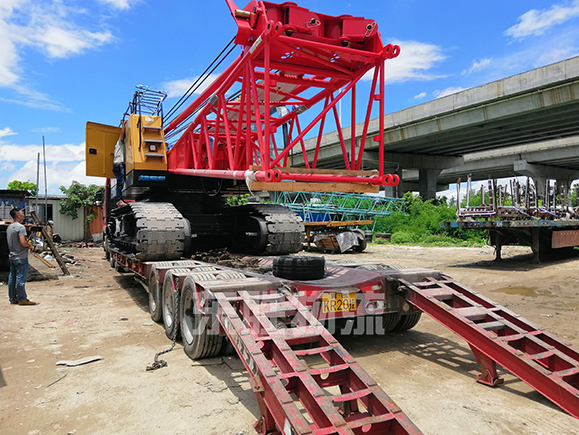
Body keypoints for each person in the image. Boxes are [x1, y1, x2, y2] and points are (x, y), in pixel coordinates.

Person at [7, 208, 37, 306]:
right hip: (20, 256)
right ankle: (22, 299)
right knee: (20, 278)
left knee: (12, 278)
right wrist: (30, 245)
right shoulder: (21, 227)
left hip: (12, 256)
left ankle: (13, 298)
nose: (24, 214)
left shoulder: (10, 227)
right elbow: (23, 242)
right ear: (18, 215)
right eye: (22, 213)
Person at [112, 122, 127, 206]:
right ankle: (119, 199)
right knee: (120, 182)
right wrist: (124, 125)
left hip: (118, 165)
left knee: (121, 182)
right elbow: (122, 135)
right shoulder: (120, 143)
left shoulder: (123, 146)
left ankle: (120, 199)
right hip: (118, 164)